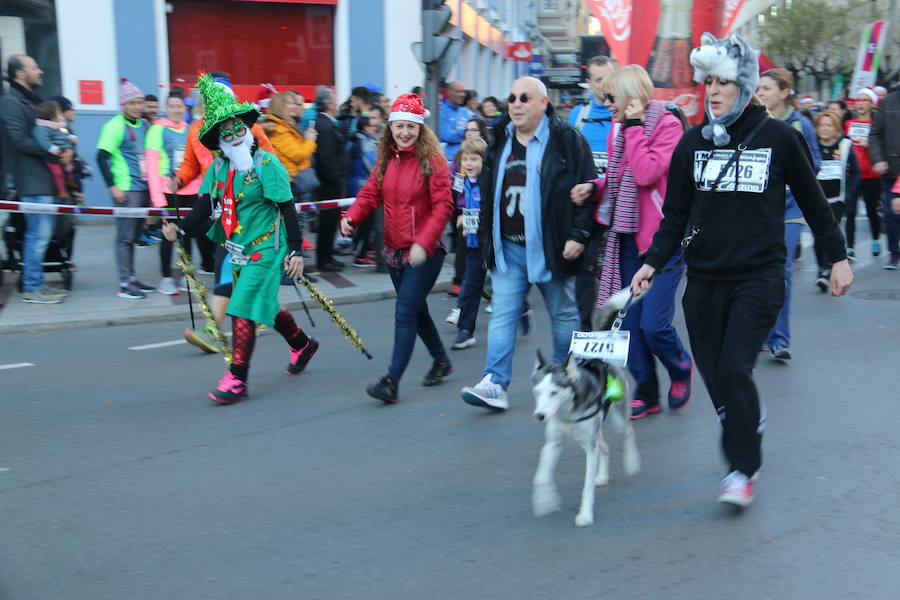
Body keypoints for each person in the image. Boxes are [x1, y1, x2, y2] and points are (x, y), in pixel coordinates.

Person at [630, 33, 852, 508]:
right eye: (708, 80)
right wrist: (651, 263)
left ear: (745, 86)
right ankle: (747, 416)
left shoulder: (780, 138)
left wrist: (837, 258)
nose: (712, 90)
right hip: (704, 280)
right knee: (719, 378)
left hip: (760, 275)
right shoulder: (691, 143)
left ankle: (740, 469)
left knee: (735, 367)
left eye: (724, 81)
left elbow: (815, 202)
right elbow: (675, 216)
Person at [161, 73, 318, 405]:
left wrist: (295, 250)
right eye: (225, 132)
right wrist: (182, 231)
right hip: (237, 247)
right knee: (267, 305)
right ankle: (302, 343)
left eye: (237, 128)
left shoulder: (266, 163)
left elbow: (288, 208)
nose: (233, 135)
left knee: (242, 306)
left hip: (268, 246)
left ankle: (237, 378)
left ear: (247, 129)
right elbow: (205, 206)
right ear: (218, 139)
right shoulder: (218, 168)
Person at [459, 76, 597, 412]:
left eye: (525, 98)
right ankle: (494, 382)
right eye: (512, 98)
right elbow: (488, 191)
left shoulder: (567, 141)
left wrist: (579, 235)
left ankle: (566, 374)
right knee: (503, 314)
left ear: (543, 103)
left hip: (551, 247)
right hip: (509, 248)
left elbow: (589, 189)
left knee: (563, 313)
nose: (516, 104)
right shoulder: (499, 140)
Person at [570, 64, 693, 420]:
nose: (605, 103)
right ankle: (647, 391)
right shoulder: (618, 128)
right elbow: (619, 174)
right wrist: (595, 186)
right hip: (624, 237)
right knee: (627, 324)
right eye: (603, 96)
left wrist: (635, 126)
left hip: (661, 242)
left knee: (653, 325)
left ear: (631, 98)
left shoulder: (667, 124)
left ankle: (680, 365)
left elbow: (646, 173)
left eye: (611, 97)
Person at [339, 93, 455, 403]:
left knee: (405, 311)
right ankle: (441, 361)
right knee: (416, 311)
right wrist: (350, 217)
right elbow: (368, 194)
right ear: (391, 128)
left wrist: (423, 242)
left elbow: (443, 206)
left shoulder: (433, 160)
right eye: (399, 126)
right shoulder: (387, 157)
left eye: (411, 127)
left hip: (424, 252)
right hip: (393, 250)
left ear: (421, 129)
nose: (404, 133)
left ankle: (391, 381)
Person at [170, 76, 276, 351]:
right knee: (230, 267)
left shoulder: (251, 129)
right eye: (207, 101)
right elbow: (191, 165)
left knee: (227, 266)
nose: (209, 105)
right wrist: (180, 179)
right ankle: (259, 318)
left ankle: (215, 330)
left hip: (252, 212)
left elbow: (270, 163)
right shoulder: (197, 130)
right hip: (220, 205)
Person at [756, 68, 821, 361]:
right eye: (758, 88)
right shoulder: (752, 122)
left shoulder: (801, 125)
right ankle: (757, 332)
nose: (761, 93)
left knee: (781, 270)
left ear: (784, 92)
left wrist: (792, 173)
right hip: (756, 211)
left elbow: (815, 162)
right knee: (755, 272)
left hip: (790, 210)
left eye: (767, 88)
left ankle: (779, 339)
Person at [0, 54, 69, 303]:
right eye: (34, 67)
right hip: (29, 179)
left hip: (42, 178)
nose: (40, 71)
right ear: (20, 73)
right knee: (36, 236)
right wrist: (54, 151)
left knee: (41, 236)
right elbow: (19, 140)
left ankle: (36, 283)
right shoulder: (11, 102)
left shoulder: (30, 101)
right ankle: (32, 287)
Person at [146, 93, 214, 295]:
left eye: (179, 106)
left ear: (185, 109)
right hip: (168, 192)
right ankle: (166, 279)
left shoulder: (191, 129)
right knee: (168, 235)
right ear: (166, 108)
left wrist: (203, 192)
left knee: (187, 233)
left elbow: (200, 162)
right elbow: (151, 166)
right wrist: (157, 198)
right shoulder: (157, 130)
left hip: (192, 191)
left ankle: (187, 277)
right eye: (172, 106)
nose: (176, 110)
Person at [96, 78, 156, 299]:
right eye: (133, 103)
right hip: (126, 189)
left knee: (134, 236)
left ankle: (132, 278)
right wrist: (113, 187)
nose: (138, 107)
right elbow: (101, 157)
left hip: (143, 188)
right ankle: (124, 282)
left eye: (140, 102)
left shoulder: (145, 125)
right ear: (124, 105)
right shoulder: (114, 126)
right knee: (124, 236)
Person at [569, 54, 616, 330]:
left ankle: (614, 329)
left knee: (614, 275)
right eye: (599, 80)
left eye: (609, 78)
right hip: (587, 208)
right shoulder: (578, 116)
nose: (605, 85)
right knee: (584, 276)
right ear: (589, 83)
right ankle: (586, 334)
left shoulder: (624, 112)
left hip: (619, 206)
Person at [812, 110, 859, 290]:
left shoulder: (845, 146)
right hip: (815, 200)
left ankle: (826, 268)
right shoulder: (812, 146)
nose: (824, 129)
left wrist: (849, 192)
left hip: (836, 201)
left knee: (829, 232)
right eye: (821, 125)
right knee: (817, 237)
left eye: (829, 125)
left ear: (837, 128)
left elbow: (855, 172)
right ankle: (821, 267)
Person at [844, 87, 883, 260]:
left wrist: (871, 144)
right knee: (850, 212)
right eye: (858, 100)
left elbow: (884, 148)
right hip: (852, 175)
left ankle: (876, 238)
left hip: (871, 175)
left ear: (872, 104)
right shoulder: (848, 124)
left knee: (871, 211)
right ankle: (850, 247)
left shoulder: (876, 126)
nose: (860, 103)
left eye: (865, 100)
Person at [312, 85, 347, 272]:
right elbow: (326, 159)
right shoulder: (324, 126)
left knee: (331, 221)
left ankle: (328, 255)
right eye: (334, 99)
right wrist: (336, 178)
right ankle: (323, 259)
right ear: (329, 103)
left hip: (331, 182)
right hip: (329, 184)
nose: (337, 102)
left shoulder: (327, 123)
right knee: (327, 221)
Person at [260, 91, 318, 200]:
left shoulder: (284, 128)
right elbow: (298, 155)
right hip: (290, 185)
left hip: (292, 183)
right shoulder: (279, 131)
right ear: (280, 106)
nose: (294, 107)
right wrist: (310, 140)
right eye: (290, 103)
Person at [346, 111, 383, 267]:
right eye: (372, 124)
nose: (375, 127)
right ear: (366, 127)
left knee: (365, 221)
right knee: (366, 222)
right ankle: (360, 254)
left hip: (355, 183)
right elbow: (372, 164)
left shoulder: (356, 139)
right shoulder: (365, 141)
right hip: (363, 184)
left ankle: (363, 250)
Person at [869, 86, 900, 269]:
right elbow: (874, 134)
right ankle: (894, 253)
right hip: (892, 169)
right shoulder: (888, 102)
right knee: (891, 214)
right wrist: (878, 159)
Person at [32, 100, 78, 199]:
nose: (60, 114)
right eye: (58, 112)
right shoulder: (42, 128)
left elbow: (65, 133)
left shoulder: (60, 126)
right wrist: (52, 148)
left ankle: (70, 179)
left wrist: (71, 137)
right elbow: (43, 140)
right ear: (52, 116)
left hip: (63, 151)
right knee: (57, 173)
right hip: (53, 156)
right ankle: (61, 190)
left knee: (69, 167)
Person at [439, 80, 475, 161]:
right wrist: (466, 131)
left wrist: (456, 131)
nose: (462, 94)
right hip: (450, 161)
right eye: (458, 91)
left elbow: (479, 129)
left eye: (463, 92)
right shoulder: (441, 111)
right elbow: (447, 136)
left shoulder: (466, 111)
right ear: (449, 92)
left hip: (469, 159)